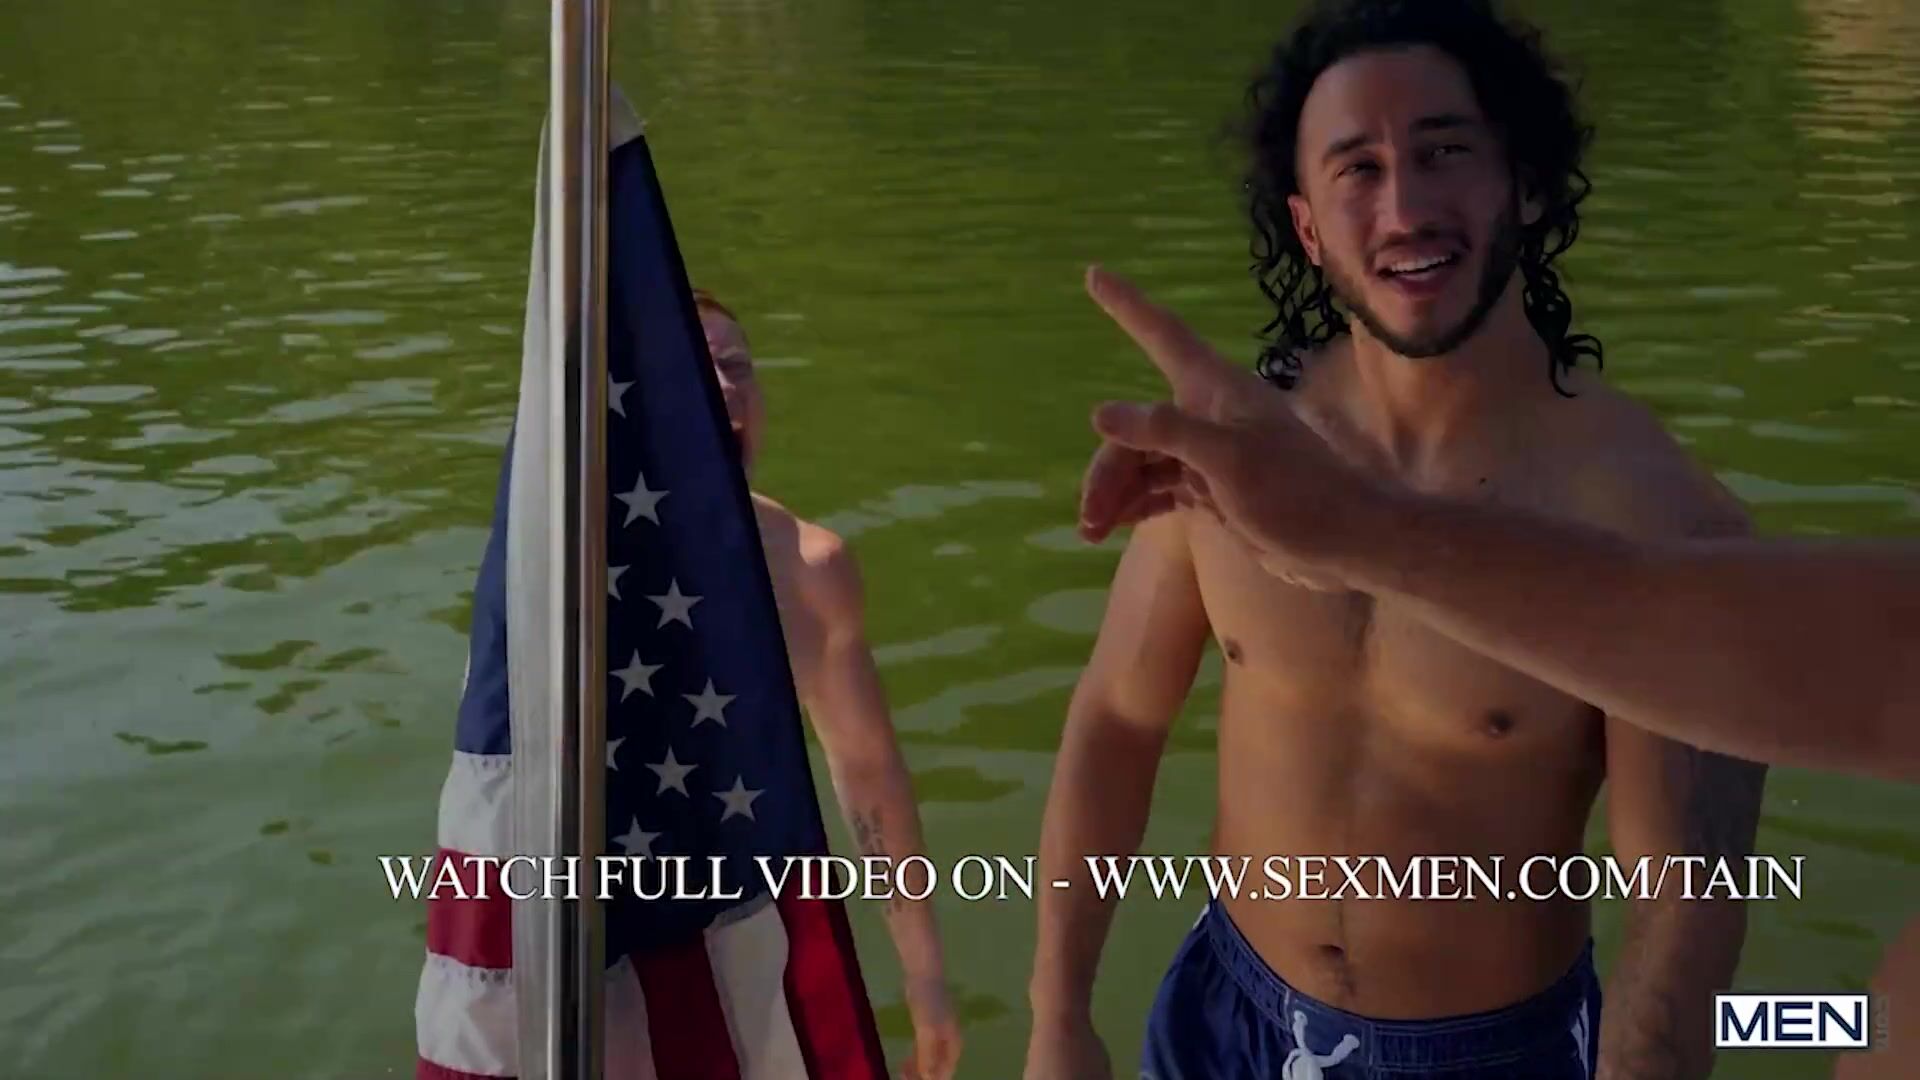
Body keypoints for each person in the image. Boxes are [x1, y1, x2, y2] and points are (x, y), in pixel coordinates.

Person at [1024, 3, 1767, 1078]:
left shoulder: (1649, 517)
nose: (1406, 209)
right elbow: (1118, 719)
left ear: (1526, 184)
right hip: (1224, 1017)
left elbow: (1682, 904)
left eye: (1444, 152)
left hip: (1492, 1053)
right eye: (1358, 169)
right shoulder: (1238, 449)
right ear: (1309, 228)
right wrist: (1057, 1014)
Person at [693, 287, 963, 1080]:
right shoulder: (572, 558)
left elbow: (869, 775)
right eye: (696, 369)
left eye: (738, 366)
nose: (727, 387)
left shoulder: (810, 569)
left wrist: (925, 979)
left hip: (749, 934)